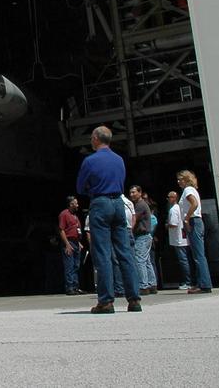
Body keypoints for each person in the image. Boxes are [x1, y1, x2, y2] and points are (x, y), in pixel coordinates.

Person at [75, 126, 141, 313]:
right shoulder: (119, 160)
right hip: (118, 203)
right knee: (125, 252)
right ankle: (134, 299)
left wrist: (92, 190)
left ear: (96, 138)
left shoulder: (90, 160)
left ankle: (106, 301)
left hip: (100, 202)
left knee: (102, 253)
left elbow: (80, 187)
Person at [178, 170, 213, 293]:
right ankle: (201, 282)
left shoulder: (188, 190)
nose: (178, 182)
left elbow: (194, 203)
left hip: (194, 221)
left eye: (180, 179)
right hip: (196, 221)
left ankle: (204, 284)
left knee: (198, 255)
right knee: (197, 254)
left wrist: (187, 218)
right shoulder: (192, 190)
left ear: (186, 180)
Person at [128, 185, 157, 294]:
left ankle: (143, 286)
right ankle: (152, 283)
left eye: (134, 192)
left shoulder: (140, 205)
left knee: (139, 260)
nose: (131, 195)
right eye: (130, 193)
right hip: (146, 236)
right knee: (147, 261)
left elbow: (134, 219)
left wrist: (129, 230)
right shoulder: (140, 204)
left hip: (142, 236)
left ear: (140, 193)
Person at [57, 197, 83, 294]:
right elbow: (61, 230)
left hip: (76, 242)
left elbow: (76, 229)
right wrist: (67, 244)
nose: (77, 205)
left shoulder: (75, 216)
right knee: (69, 265)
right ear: (70, 204)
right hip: (69, 242)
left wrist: (79, 242)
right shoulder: (64, 214)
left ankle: (76, 286)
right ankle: (70, 287)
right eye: (75, 203)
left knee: (76, 265)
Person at [166, 190, 191, 290]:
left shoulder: (173, 210)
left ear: (174, 198)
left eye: (169, 197)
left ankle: (187, 281)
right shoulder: (180, 208)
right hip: (182, 236)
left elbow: (173, 223)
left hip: (178, 238)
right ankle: (188, 280)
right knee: (185, 259)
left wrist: (167, 225)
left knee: (183, 260)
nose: (168, 199)